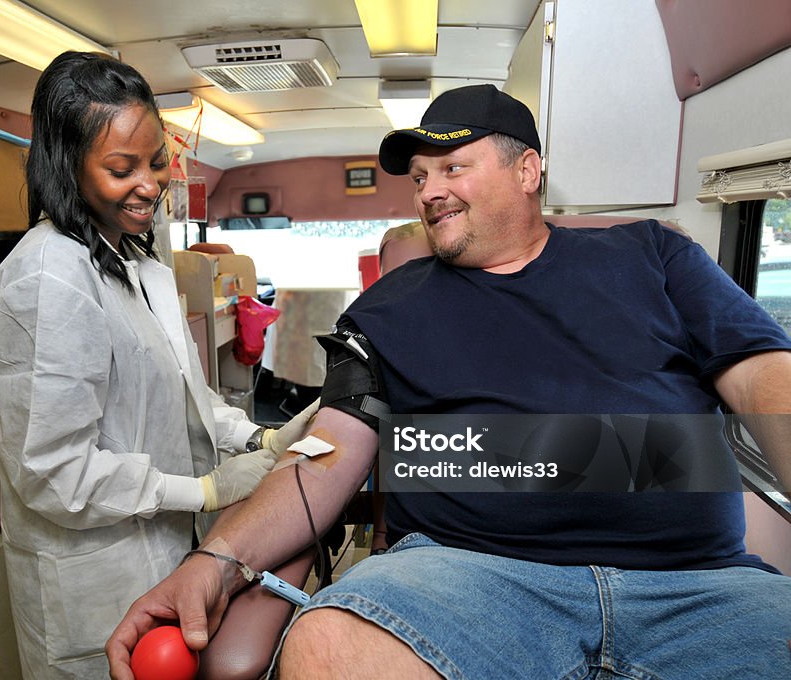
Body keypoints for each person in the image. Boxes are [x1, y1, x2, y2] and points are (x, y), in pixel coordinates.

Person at [106, 84, 791, 679]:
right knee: (328, 644)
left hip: (695, 585)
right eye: (421, 178)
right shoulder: (382, 310)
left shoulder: (656, 255)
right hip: (467, 582)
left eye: (453, 167)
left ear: (527, 170)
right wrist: (219, 556)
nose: (429, 191)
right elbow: (327, 452)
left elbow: (766, 378)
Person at [0, 51, 316, 680]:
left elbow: (187, 396)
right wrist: (206, 491)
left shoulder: (138, 266)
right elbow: (54, 471)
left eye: (156, 161)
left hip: (168, 555)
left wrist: (261, 438)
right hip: (96, 580)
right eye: (120, 168)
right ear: (65, 166)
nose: (150, 184)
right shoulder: (48, 278)